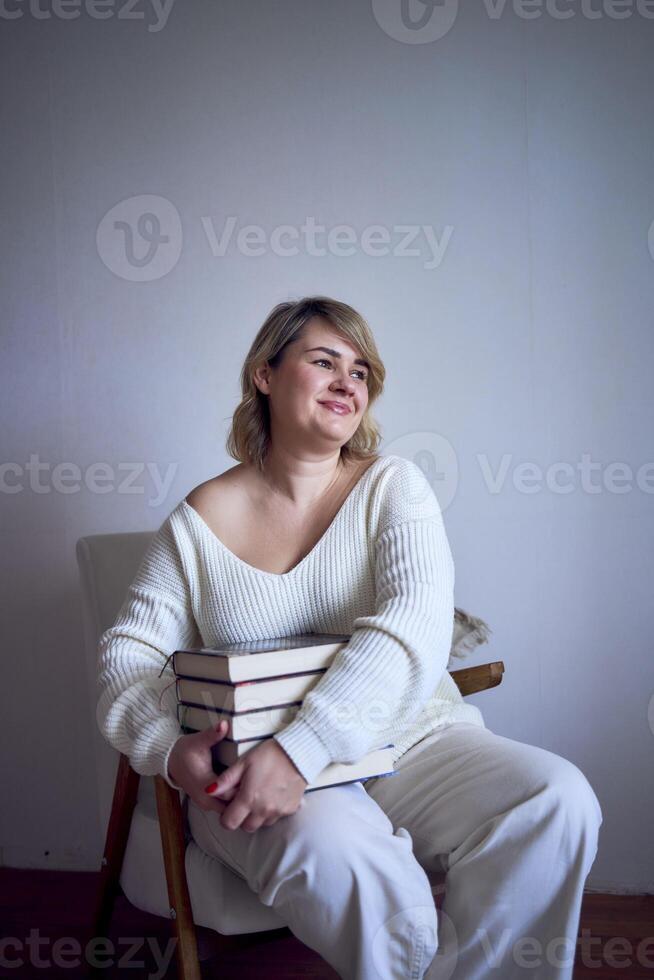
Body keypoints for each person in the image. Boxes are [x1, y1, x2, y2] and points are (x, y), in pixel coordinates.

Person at [97, 296, 603, 980]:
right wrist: (167, 748)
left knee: (556, 799)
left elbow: (409, 628)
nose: (348, 383)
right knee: (368, 884)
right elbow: (126, 660)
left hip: (409, 740)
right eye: (323, 361)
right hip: (253, 773)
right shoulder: (198, 521)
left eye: (361, 371)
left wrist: (300, 749)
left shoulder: (395, 487)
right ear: (264, 376)